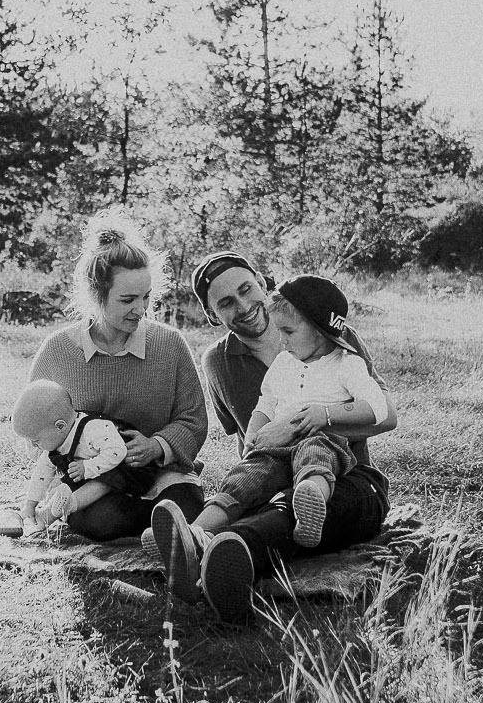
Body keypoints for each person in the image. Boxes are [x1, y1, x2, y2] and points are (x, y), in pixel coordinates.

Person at [154, 251, 395, 622]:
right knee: (260, 497)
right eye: (226, 303)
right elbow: (248, 437)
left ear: (261, 282)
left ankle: (223, 555)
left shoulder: (331, 333)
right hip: (276, 474)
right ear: (213, 315)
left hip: (349, 479)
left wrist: (305, 423)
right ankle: (199, 543)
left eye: (246, 289)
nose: (244, 306)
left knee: (292, 509)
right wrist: (253, 465)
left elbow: (386, 416)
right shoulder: (218, 361)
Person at [23, 218, 209, 541]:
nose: (141, 309)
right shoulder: (57, 351)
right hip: (92, 482)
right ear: (96, 295)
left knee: (185, 504)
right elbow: (34, 431)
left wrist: (156, 446)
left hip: (161, 475)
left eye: (146, 297)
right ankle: (161, 529)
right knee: (99, 521)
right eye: (128, 300)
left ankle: (166, 523)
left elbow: (193, 419)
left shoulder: (170, 344)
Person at [182, 275, 387, 561]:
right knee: (243, 479)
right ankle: (193, 533)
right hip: (275, 451)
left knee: (316, 456)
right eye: (280, 331)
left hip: (322, 440)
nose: (282, 339)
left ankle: (310, 505)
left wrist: (325, 414)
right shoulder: (283, 362)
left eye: (288, 331)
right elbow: (266, 403)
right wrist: (253, 435)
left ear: (319, 330)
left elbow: (379, 408)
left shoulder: (347, 363)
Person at [11, 378, 132, 532]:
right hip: (90, 474)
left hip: (126, 468)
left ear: (60, 426)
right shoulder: (55, 445)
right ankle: (58, 507)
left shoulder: (93, 429)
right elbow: (41, 474)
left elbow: (117, 451)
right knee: (70, 484)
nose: (33, 446)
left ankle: (53, 513)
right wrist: (30, 504)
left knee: (102, 482)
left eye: (35, 441)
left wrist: (87, 467)